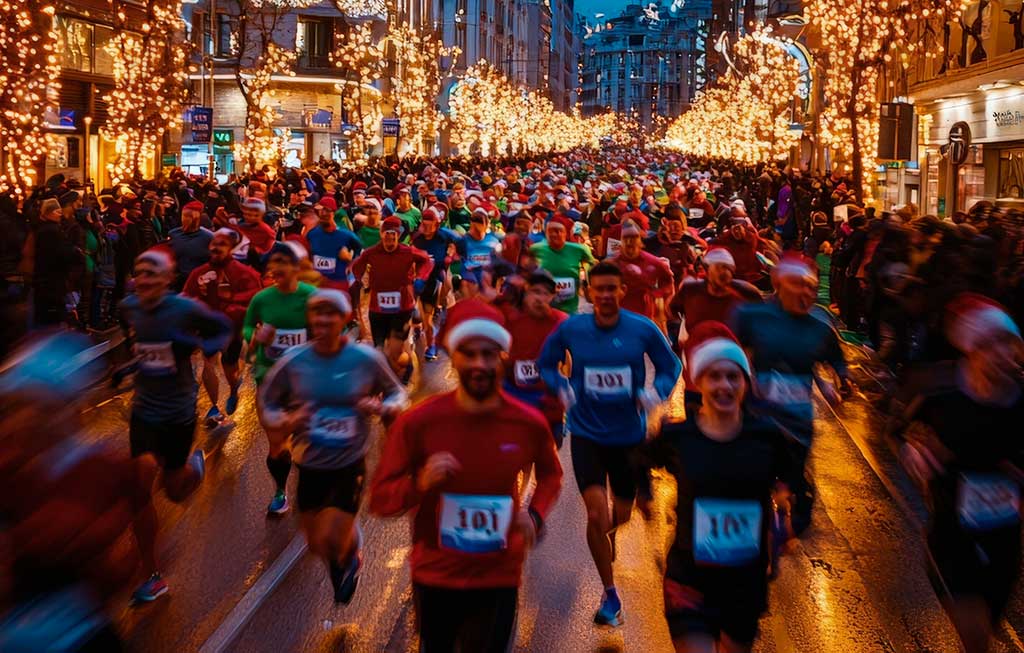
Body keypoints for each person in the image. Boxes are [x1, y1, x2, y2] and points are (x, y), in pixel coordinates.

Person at [370, 301, 562, 652]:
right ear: (453, 357)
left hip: (498, 574)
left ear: (502, 356)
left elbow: (552, 475)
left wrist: (535, 515)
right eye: (468, 353)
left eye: (488, 354)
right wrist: (420, 484)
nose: (479, 364)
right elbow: (380, 499)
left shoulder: (526, 422)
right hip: (435, 574)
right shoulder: (419, 422)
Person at [635, 322, 796, 653]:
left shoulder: (767, 436)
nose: (724, 385)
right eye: (715, 376)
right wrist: (643, 494)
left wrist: (790, 511)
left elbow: (798, 483)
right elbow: (637, 460)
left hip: (744, 582)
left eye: (733, 377)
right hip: (689, 578)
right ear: (700, 382)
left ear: (745, 383)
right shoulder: (678, 436)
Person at [537, 261, 681, 626]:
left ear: (621, 291)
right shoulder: (573, 328)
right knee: (596, 514)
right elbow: (546, 363)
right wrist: (562, 387)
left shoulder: (642, 328)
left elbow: (670, 365)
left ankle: (610, 534)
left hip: (629, 439)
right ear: (588, 292)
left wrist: (655, 393)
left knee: (621, 514)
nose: (604, 295)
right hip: (587, 433)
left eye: (611, 289)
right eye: (597, 289)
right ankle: (610, 595)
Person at [890, 294, 1024, 653]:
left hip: (1005, 533)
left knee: (989, 622)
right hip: (951, 532)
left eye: (1009, 344)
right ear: (971, 349)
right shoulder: (940, 391)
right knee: (975, 635)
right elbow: (900, 430)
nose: (1003, 354)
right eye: (991, 345)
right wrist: (913, 452)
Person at [259, 289, 408, 604]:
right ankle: (343, 555)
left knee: (334, 536)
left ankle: (350, 556)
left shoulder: (365, 358)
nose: (324, 320)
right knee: (316, 544)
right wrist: (287, 419)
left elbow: (397, 392)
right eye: (317, 314)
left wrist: (384, 407)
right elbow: (267, 402)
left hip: (349, 461)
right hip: (309, 461)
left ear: (345, 318)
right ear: (310, 319)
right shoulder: (294, 361)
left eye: (331, 314)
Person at [0, 333, 138, 651]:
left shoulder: (103, 468)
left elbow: (116, 556)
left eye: (41, 407)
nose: (25, 418)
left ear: (69, 410)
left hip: (78, 631)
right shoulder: (9, 465)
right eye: (16, 406)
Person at [117, 249, 233, 603]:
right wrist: (130, 365)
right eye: (140, 273)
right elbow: (139, 343)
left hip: (178, 412)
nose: (146, 280)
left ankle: (192, 469)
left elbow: (222, 330)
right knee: (138, 484)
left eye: (154, 274)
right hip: (144, 410)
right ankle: (152, 575)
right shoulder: (129, 307)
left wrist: (196, 347)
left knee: (175, 491)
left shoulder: (185, 309)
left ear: (168, 279)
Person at [732, 254, 848, 536]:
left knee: (793, 477)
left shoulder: (820, 328)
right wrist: (744, 376)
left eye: (811, 287)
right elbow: (732, 350)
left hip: (797, 421)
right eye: (798, 285)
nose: (807, 293)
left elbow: (836, 360)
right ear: (779, 284)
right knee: (753, 475)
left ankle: (794, 520)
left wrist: (839, 381)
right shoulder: (752, 316)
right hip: (756, 414)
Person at [243, 243, 318, 515]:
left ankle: (310, 484)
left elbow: (334, 326)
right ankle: (279, 490)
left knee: (305, 440)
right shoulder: (262, 299)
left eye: (281, 263)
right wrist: (254, 336)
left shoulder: (312, 297)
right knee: (277, 443)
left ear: (296, 267)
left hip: (304, 380)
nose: (275, 269)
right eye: (273, 263)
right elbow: (249, 325)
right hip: (270, 379)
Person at [183, 228, 263, 421]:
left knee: (229, 367)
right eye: (214, 244)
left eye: (222, 244)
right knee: (207, 361)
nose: (217, 248)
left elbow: (256, 298)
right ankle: (213, 406)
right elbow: (187, 296)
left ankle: (234, 390)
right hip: (208, 326)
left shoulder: (244, 273)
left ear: (231, 248)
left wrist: (234, 302)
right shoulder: (199, 273)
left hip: (233, 328)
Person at [499, 270, 568, 447]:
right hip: (514, 392)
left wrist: (566, 386)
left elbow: (572, 358)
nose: (540, 298)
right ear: (526, 292)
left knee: (550, 448)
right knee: (517, 449)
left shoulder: (561, 321)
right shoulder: (510, 319)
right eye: (536, 292)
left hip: (549, 399)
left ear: (553, 297)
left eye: (546, 294)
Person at [350, 216, 434, 348]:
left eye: (393, 234)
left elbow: (426, 260)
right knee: (379, 348)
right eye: (387, 234)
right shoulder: (370, 253)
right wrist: (359, 279)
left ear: (398, 235)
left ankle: (409, 363)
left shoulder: (407, 251)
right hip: (377, 309)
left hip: (402, 308)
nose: (390, 238)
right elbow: (356, 267)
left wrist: (420, 277)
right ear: (381, 235)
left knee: (398, 348)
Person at [412, 206, 458, 361]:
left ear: (436, 224)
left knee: (427, 318)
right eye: (423, 223)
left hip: (435, 279)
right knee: (415, 316)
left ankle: (431, 345)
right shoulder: (417, 239)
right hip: (418, 281)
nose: (425, 227)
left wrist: (449, 256)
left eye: (429, 224)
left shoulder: (443, 237)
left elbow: (456, 243)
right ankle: (417, 325)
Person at [610, 219, 675, 325]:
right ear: (620, 241)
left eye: (633, 238)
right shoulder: (611, 264)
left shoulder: (654, 262)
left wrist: (657, 295)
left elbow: (668, 283)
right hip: (619, 318)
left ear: (640, 240)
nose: (629, 242)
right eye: (625, 238)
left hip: (646, 318)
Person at [531, 215, 596, 315]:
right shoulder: (536, 249)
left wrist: (586, 283)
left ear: (566, 234)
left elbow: (595, 267)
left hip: (570, 309)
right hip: (543, 309)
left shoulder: (580, 250)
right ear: (546, 233)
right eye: (550, 231)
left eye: (558, 231)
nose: (554, 234)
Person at [307, 197, 362, 292]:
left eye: (327, 211)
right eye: (321, 210)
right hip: (317, 286)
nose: (323, 214)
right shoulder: (312, 234)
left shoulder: (345, 235)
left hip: (339, 285)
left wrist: (351, 263)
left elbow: (360, 251)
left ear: (333, 213)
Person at [168, 201, 213, 291]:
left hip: (199, 282)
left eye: (190, 216)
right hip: (177, 282)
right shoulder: (174, 234)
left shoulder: (209, 237)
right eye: (184, 216)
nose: (186, 219)